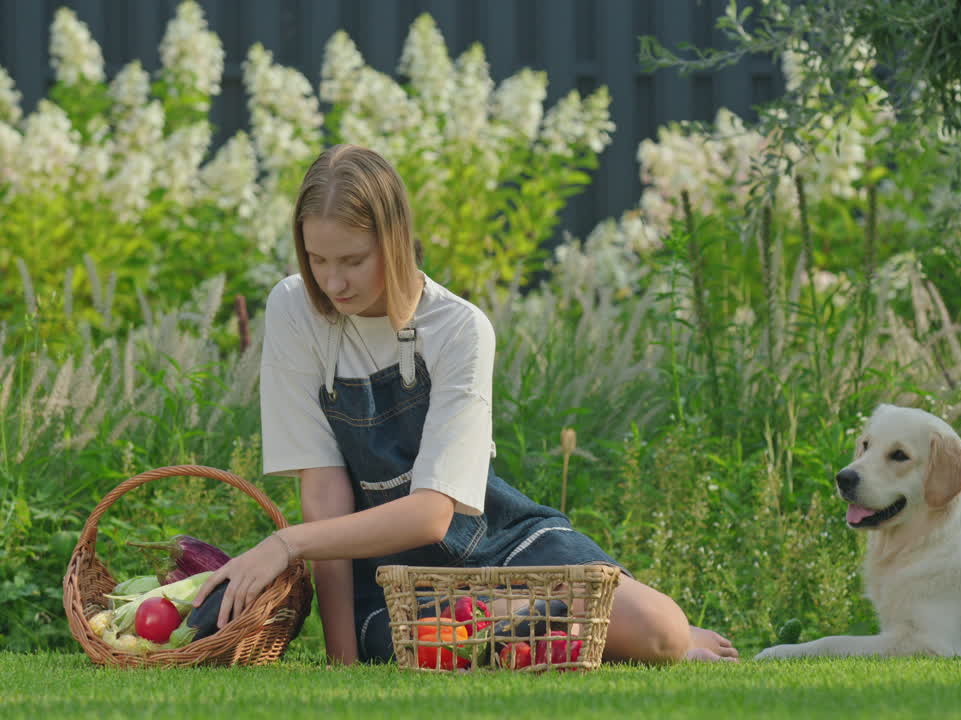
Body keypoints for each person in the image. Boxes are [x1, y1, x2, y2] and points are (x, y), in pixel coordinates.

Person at [192, 144, 738, 665]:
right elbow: (325, 491)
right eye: (317, 260)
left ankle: (574, 624)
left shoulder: (458, 328)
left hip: (497, 543)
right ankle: (546, 623)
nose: (332, 281)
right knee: (439, 639)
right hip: (394, 586)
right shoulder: (294, 308)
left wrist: (285, 545)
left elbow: (433, 514)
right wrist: (343, 658)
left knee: (661, 629)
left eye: (353, 260)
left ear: (396, 240)